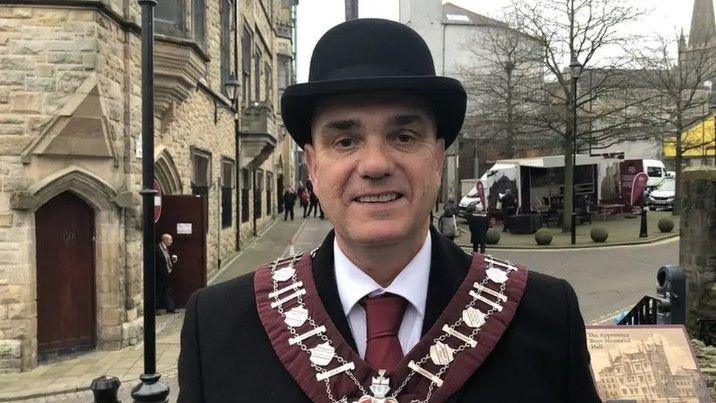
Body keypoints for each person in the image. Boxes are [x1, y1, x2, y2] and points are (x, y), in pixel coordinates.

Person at [179, 19, 599, 402]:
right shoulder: (219, 326)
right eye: (345, 141)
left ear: (437, 158)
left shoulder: (542, 316)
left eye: (403, 135)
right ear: (313, 165)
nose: (376, 165)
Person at [155, 233, 177, 314]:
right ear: (165, 240)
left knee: (167, 291)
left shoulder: (165, 249)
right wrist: (163, 273)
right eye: (170, 240)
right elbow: (158, 263)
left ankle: (170, 308)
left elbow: (166, 260)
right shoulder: (158, 249)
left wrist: (172, 260)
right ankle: (155, 309)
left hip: (166, 274)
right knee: (158, 291)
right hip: (160, 275)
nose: (171, 241)